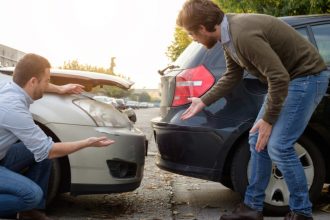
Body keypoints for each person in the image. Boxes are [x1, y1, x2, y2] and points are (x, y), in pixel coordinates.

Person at [177, 0, 329, 220]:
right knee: (257, 139)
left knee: (279, 146)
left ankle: (302, 212)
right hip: (288, 81)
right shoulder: (228, 37)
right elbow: (232, 75)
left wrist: (268, 119)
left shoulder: (242, 34)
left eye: (192, 35)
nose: (195, 40)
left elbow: (278, 76)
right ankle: (252, 208)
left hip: (305, 78)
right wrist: (203, 101)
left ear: (202, 28)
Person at [0, 53, 115, 220]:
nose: (48, 84)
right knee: (32, 195)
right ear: (33, 81)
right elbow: (49, 151)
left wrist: (60, 88)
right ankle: (29, 204)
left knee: (39, 154)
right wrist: (87, 142)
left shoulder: (11, 89)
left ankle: (29, 213)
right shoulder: (12, 107)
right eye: (47, 80)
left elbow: (39, 85)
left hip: (3, 157)